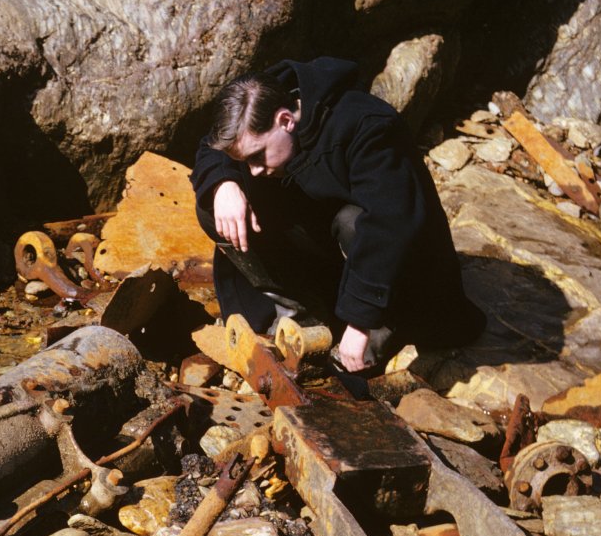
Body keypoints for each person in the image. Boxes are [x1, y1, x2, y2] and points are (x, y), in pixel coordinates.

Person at [190, 57, 486, 372]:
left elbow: (390, 224)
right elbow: (209, 147)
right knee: (213, 204)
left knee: (353, 222)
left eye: (258, 156)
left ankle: (381, 326)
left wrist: (360, 321)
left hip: (391, 262)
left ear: (286, 120)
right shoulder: (259, 104)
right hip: (327, 248)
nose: (255, 169)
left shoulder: (368, 126)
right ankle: (301, 313)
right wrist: (224, 183)